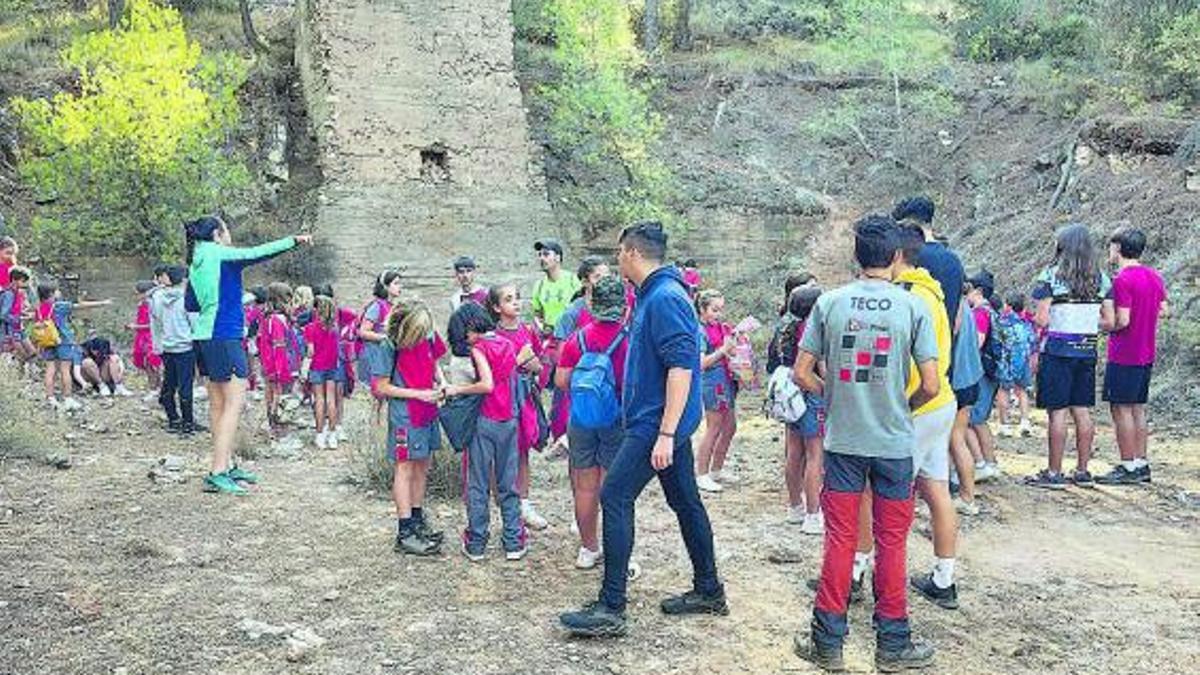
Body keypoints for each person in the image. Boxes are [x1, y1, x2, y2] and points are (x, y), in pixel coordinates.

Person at [560, 220, 725, 638]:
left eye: (619, 253)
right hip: (659, 422)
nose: (618, 261)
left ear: (632, 252)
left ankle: (611, 607)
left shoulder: (666, 297)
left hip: (656, 425)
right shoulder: (654, 295)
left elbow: (680, 369)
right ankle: (708, 589)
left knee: (614, 494)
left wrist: (667, 433)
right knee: (686, 502)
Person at [793, 214, 939, 672]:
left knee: (840, 538)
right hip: (895, 444)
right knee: (892, 542)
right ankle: (893, 645)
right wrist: (903, 406)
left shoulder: (830, 303)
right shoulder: (913, 306)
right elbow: (932, 385)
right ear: (896, 257)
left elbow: (801, 372)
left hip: (843, 441)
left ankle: (827, 642)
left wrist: (833, 396)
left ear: (855, 256)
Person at [184, 215, 309, 496]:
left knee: (218, 404)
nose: (229, 235)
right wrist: (293, 241)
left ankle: (224, 465)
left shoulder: (195, 261)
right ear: (217, 234)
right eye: (226, 230)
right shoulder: (222, 255)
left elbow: (190, 303)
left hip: (203, 337)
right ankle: (218, 471)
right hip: (224, 335)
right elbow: (257, 253)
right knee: (234, 403)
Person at [894, 223, 961, 611]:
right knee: (936, 489)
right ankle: (943, 578)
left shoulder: (907, 298)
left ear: (897, 255)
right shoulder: (934, 293)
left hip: (917, 405)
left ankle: (861, 572)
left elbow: (916, 370)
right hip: (942, 404)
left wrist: (902, 407)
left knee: (886, 493)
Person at [1025, 224, 1111, 489]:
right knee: (1082, 410)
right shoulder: (1102, 279)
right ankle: (1083, 470)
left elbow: (1041, 318)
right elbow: (1109, 320)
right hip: (1087, 350)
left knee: (1058, 413)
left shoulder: (1050, 276)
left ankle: (1054, 472)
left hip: (1058, 350)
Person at [555, 275, 628, 569]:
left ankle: (588, 549)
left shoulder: (579, 338)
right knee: (614, 489)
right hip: (616, 420)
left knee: (585, 487)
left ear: (591, 303)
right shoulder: (630, 338)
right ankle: (616, 551)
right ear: (623, 307)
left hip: (581, 418)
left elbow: (561, 380)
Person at [444, 302, 526, 562]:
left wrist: (457, 390)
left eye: (464, 333)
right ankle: (513, 540)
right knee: (508, 483)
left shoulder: (479, 348)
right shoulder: (507, 344)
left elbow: (486, 384)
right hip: (509, 420)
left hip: (485, 421)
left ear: (471, 327)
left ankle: (477, 541)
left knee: (478, 483)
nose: (464, 339)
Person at [371, 300, 447, 556]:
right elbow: (381, 387)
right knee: (404, 468)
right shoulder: (387, 344)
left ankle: (417, 520)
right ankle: (405, 533)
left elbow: (435, 360)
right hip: (406, 415)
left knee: (423, 464)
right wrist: (418, 394)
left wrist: (442, 382)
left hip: (428, 410)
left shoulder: (425, 333)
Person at [1099, 228, 1167, 485]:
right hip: (1146, 351)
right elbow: (1164, 309)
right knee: (1138, 408)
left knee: (1121, 409)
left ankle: (1127, 465)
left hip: (1124, 353)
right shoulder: (1154, 276)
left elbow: (1122, 320)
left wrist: (1103, 323)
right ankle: (1141, 462)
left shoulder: (1123, 280)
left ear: (1117, 249)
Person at [489, 283, 550, 530]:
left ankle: (524, 503)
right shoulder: (492, 335)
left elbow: (539, 363)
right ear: (496, 307)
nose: (515, 303)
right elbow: (491, 372)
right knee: (501, 454)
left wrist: (535, 366)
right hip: (501, 399)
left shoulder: (527, 331)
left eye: (517, 298)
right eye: (508, 299)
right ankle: (505, 504)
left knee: (523, 449)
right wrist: (517, 362)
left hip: (524, 396)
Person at [778, 285, 826, 533]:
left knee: (794, 452)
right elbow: (820, 366)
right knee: (816, 455)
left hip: (792, 397)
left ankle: (795, 506)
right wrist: (828, 389)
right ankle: (813, 514)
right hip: (811, 394)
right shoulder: (813, 328)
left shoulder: (789, 326)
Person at [35, 280, 112, 411]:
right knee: (65, 370)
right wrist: (102, 303)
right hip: (63, 341)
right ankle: (67, 399)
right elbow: (80, 306)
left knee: (50, 370)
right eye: (57, 290)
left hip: (47, 342)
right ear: (52, 293)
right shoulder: (59, 306)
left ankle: (50, 398)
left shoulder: (39, 307)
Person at [694, 289, 739, 492]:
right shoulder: (699, 332)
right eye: (714, 310)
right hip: (712, 381)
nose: (718, 314)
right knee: (714, 427)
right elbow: (701, 363)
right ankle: (701, 473)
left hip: (726, 378)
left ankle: (717, 469)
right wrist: (723, 351)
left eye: (721, 309)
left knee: (730, 426)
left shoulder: (721, 328)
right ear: (702, 309)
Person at [895, 196, 964, 323]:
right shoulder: (955, 261)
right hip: (945, 340)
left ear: (908, 223)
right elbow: (959, 317)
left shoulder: (908, 258)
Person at [150, 265, 199, 434]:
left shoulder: (157, 298)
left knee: (169, 383)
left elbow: (155, 321)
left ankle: (173, 418)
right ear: (184, 280)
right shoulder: (187, 298)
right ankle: (188, 423)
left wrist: (158, 345)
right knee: (186, 386)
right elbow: (195, 324)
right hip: (185, 347)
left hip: (167, 347)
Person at [947, 294, 983, 516]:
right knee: (956, 440)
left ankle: (966, 496)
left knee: (954, 440)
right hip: (971, 379)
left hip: (957, 381)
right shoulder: (967, 308)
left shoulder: (955, 308)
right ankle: (965, 494)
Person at [964, 273, 1001, 482]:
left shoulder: (979, 313)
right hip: (991, 371)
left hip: (980, 372)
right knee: (981, 420)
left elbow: (976, 343)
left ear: (978, 291)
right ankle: (991, 462)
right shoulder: (992, 311)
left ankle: (981, 463)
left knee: (972, 420)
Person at [357, 270, 402, 426]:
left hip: (385, 356)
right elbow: (363, 331)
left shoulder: (392, 306)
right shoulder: (376, 306)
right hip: (374, 356)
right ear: (386, 286)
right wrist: (385, 337)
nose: (399, 287)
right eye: (395, 283)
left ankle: (381, 427)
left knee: (383, 396)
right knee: (377, 396)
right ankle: (374, 428)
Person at [303, 294, 344, 449]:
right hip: (332, 367)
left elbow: (310, 352)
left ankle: (320, 435)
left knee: (319, 400)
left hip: (316, 368)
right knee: (331, 401)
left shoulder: (310, 329)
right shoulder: (335, 329)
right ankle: (332, 435)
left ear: (316, 310)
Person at [994, 292, 1037, 438]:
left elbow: (997, 342)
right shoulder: (1026, 324)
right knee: (1022, 390)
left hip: (1006, 361)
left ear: (1009, 307)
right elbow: (1033, 343)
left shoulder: (1001, 323)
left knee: (1004, 391)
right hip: (1023, 360)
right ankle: (1025, 422)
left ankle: (1004, 424)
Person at [259, 282, 295, 436]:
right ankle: (276, 428)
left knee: (272, 393)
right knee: (279, 396)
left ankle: (271, 424)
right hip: (277, 364)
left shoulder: (269, 318)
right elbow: (279, 346)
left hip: (269, 362)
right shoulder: (277, 320)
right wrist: (282, 369)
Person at [531, 238, 581, 336]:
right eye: (540, 255)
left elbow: (583, 308)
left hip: (571, 335)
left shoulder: (573, 280)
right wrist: (541, 327)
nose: (541, 258)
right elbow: (537, 314)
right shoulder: (539, 285)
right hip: (549, 337)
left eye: (546, 254)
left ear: (557, 257)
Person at [129, 280, 163, 396]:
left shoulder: (152, 305)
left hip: (151, 337)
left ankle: (156, 388)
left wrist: (135, 326)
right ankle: (154, 388)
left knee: (152, 363)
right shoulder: (141, 305)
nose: (136, 296)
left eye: (138, 293)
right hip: (141, 337)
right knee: (145, 363)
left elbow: (155, 324)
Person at [0, 265, 36, 364]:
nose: (25, 284)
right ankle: (21, 374)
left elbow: (14, 310)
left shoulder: (16, 293)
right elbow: (3, 315)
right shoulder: (9, 294)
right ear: (15, 280)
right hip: (10, 331)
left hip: (18, 329)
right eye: (23, 281)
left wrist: (25, 314)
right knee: (23, 354)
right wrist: (19, 318)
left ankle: (25, 372)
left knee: (32, 353)